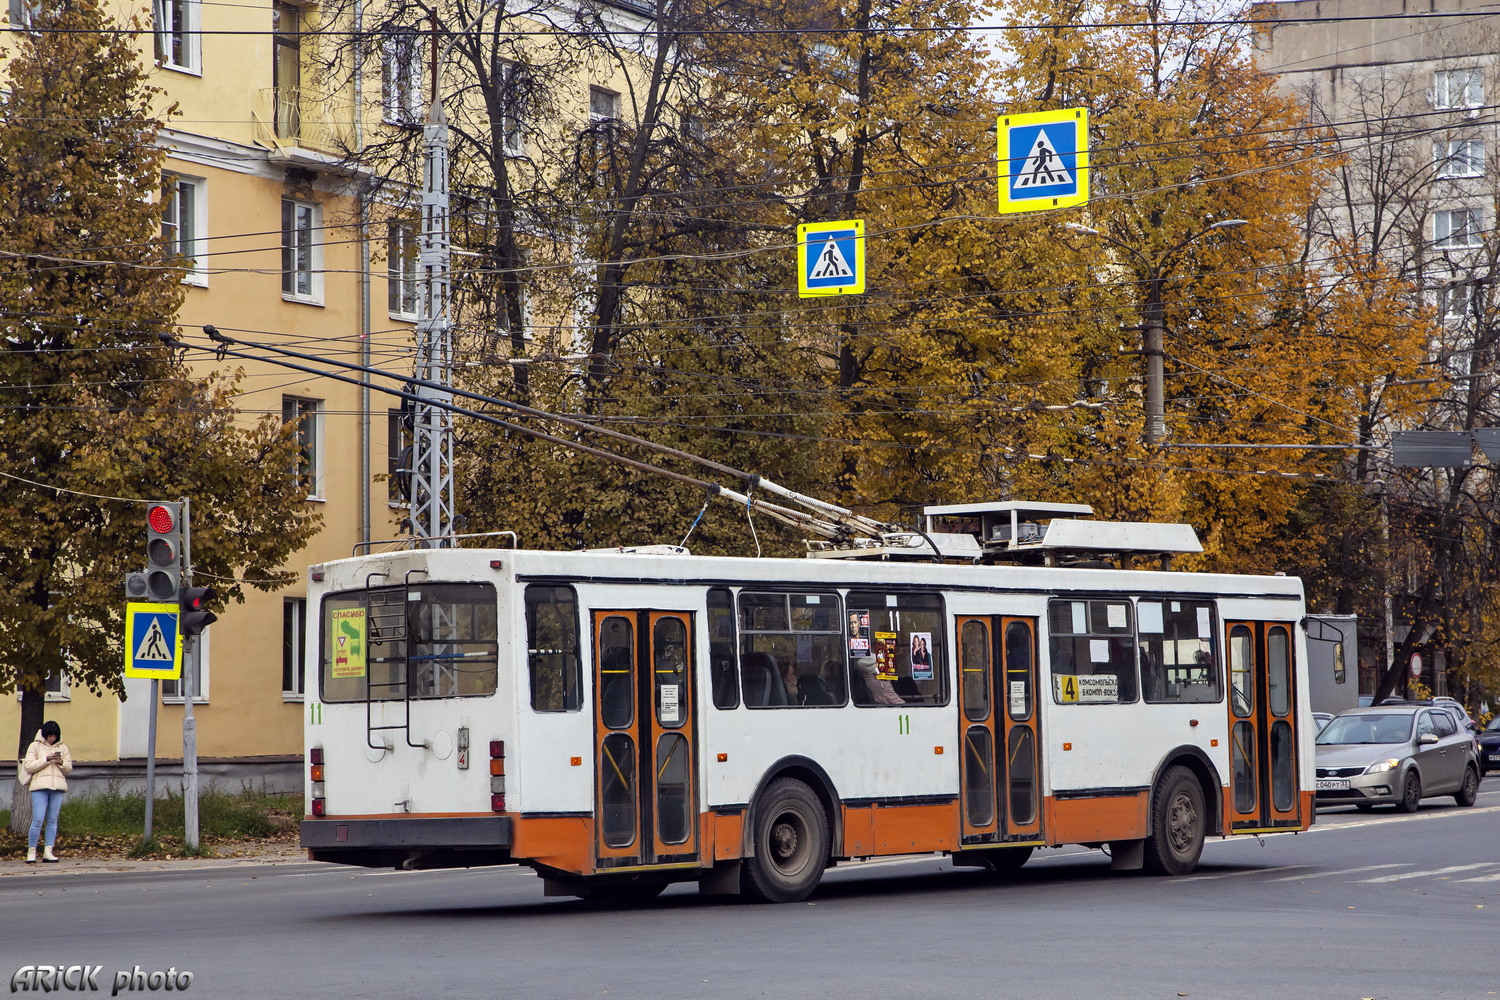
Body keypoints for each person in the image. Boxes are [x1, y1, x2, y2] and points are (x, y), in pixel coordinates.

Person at [22, 721, 73, 863]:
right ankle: (31, 851)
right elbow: (29, 766)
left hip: (57, 787)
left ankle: (48, 851)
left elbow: (69, 768)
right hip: (39, 786)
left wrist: (60, 762)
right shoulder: (35, 746)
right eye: (49, 736)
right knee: (38, 819)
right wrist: (46, 759)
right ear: (44, 735)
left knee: (52, 820)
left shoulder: (63, 747)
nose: (52, 738)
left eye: (54, 736)